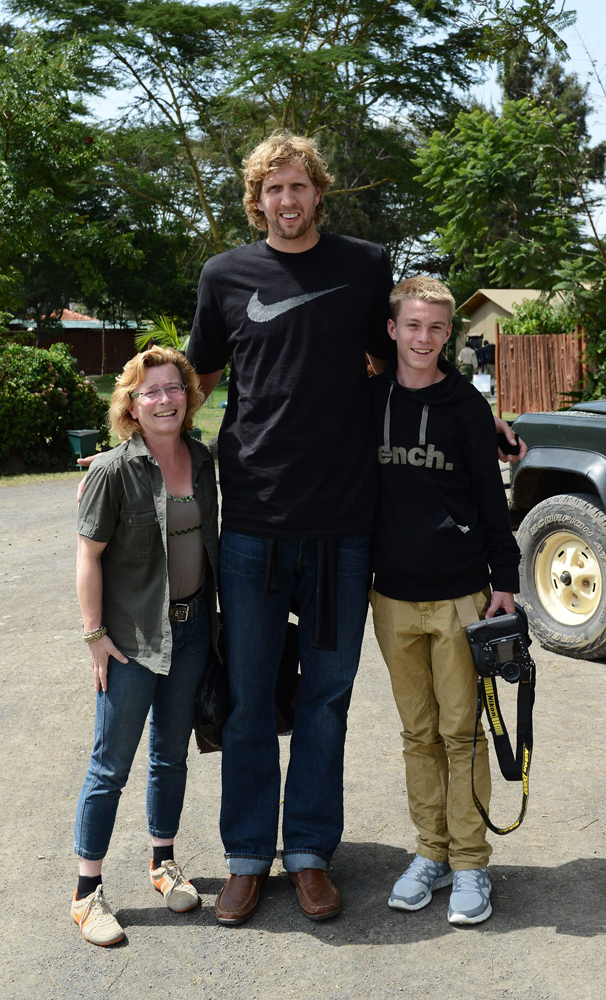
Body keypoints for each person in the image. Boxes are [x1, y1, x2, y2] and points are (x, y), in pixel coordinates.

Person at [184, 132, 525, 926]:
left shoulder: (364, 265)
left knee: (326, 702)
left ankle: (307, 856)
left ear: (317, 191)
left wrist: (482, 422)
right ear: (256, 198)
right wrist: (135, 433)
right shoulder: (224, 276)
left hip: (343, 532)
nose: (288, 201)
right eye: (273, 190)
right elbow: (195, 374)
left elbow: (410, 358)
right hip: (254, 529)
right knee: (246, 701)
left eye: (299, 186)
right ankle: (244, 860)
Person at [369, 277, 520, 926]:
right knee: (417, 734)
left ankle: (468, 864)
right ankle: (429, 852)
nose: (424, 338)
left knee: (461, 734)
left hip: (461, 595)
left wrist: (505, 583)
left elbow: (493, 504)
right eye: (412, 326)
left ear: (447, 335)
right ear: (391, 329)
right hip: (390, 598)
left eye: (436, 328)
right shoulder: (365, 401)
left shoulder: (465, 408)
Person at [71, 346, 219, 946]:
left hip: (191, 632)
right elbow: (89, 556)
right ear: (131, 404)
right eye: (150, 391)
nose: (163, 399)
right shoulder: (112, 470)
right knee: (111, 765)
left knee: (170, 755)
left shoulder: (203, 460)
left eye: (173, 388)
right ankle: (86, 894)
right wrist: (95, 636)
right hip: (130, 640)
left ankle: (162, 862)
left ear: (188, 397)